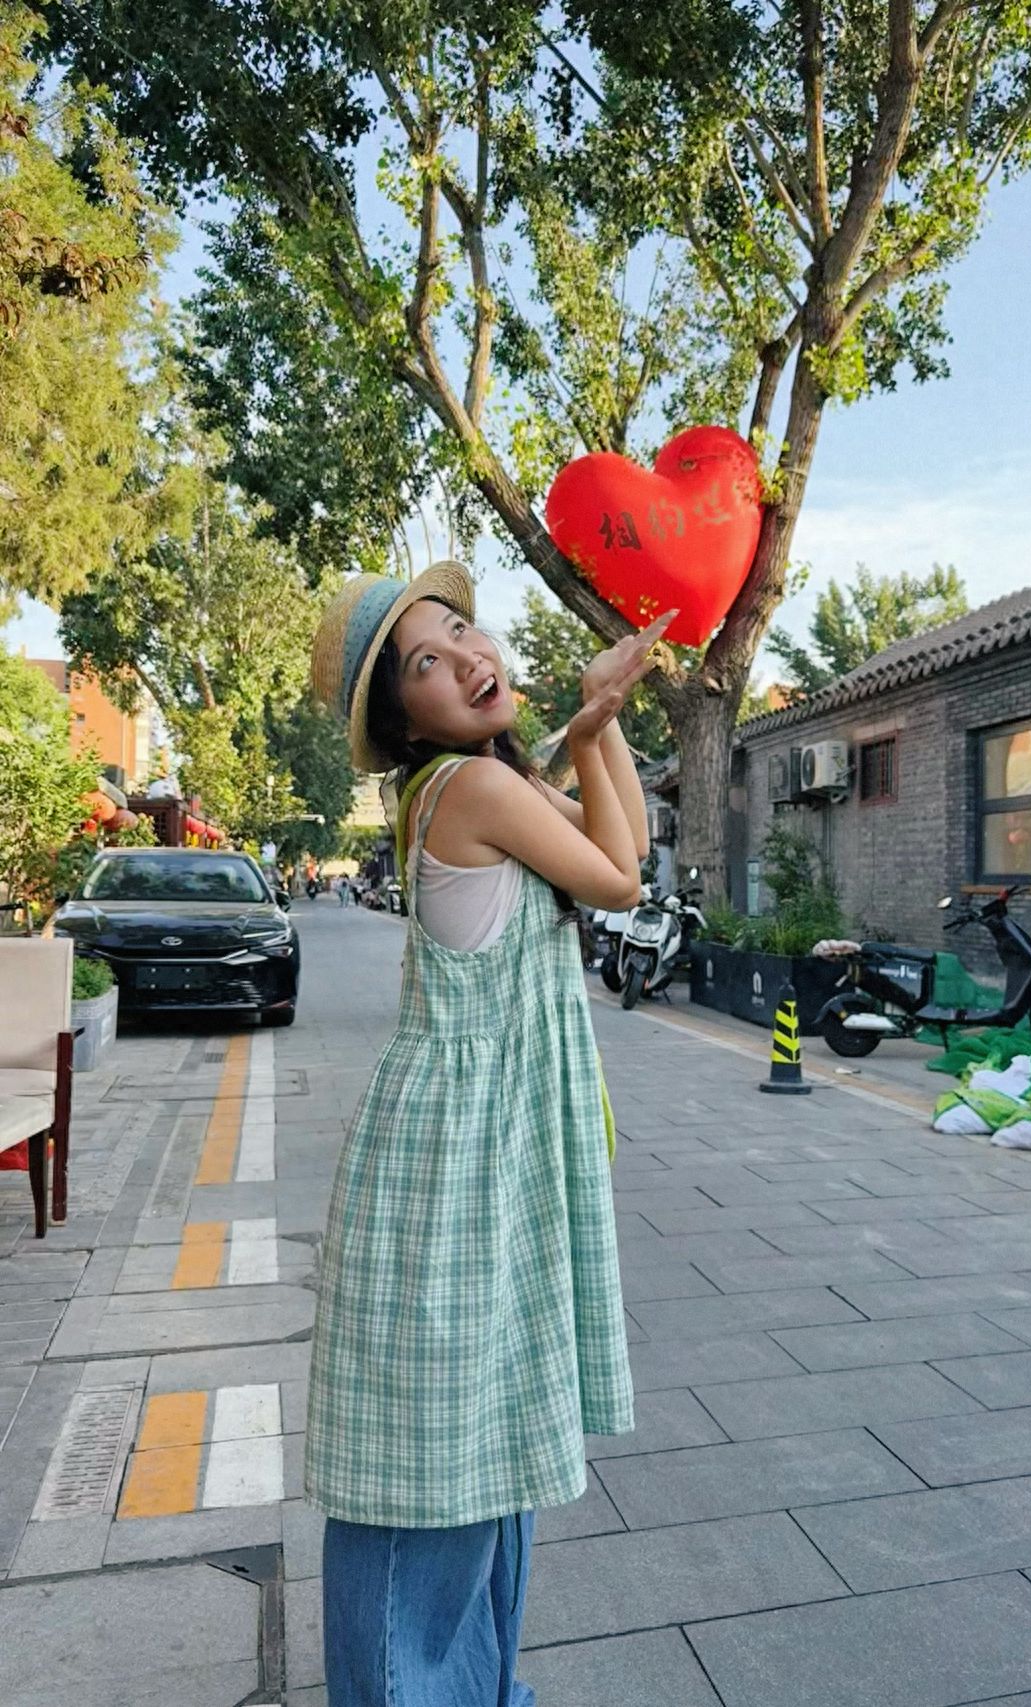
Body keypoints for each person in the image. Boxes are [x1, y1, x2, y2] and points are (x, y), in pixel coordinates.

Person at [305, 560, 671, 1707]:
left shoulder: (486, 786)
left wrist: (593, 726)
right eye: (424, 659)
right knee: (425, 1476)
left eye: (460, 630)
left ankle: (472, 1690)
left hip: (477, 1150)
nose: (465, 656)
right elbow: (617, 880)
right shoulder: (465, 788)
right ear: (402, 715)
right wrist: (586, 723)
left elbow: (623, 850)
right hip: (456, 1159)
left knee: (481, 1450)